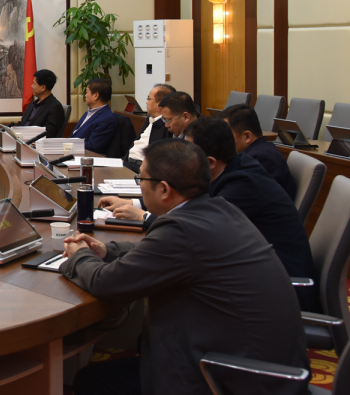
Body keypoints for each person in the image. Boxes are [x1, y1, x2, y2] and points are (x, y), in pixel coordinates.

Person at [63, 138, 310, 395]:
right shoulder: (218, 208)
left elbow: (105, 283)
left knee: (92, 384)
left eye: (141, 179)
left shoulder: (181, 229)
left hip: (238, 383)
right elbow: (165, 253)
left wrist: (78, 257)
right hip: (272, 367)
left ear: (164, 190)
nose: (139, 185)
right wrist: (107, 251)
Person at [102, 117, 316, 308]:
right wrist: (135, 203)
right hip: (252, 275)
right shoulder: (231, 168)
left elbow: (198, 231)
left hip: (276, 289)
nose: (182, 157)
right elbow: (188, 206)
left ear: (210, 162)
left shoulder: (243, 185)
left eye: (189, 152)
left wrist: (144, 217)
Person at [221, 103, 296, 201]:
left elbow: (243, 197)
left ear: (247, 137)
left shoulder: (263, 159)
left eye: (227, 136)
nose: (223, 141)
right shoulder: (261, 150)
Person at [122, 84, 175, 171]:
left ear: (160, 103)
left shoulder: (166, 125)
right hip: (128, 163)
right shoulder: (149, 120)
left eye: (149, 99)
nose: (147, 102)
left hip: (140, 168)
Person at [68, 78, 117, 154]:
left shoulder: (107, 119)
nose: (85, 95)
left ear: (95, 96)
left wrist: (67, 144)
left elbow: (93, 147)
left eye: (87, 92)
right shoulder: (88, 112)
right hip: (70, 152)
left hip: (84, 156)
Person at [17, 69, 65, 133]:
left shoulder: (55, 107)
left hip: (33, 139)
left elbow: (49, 133)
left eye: (34, 84)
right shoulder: (32, 104)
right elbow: (22, 124)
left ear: (43, 87)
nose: (31, 86)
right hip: (21, 137)